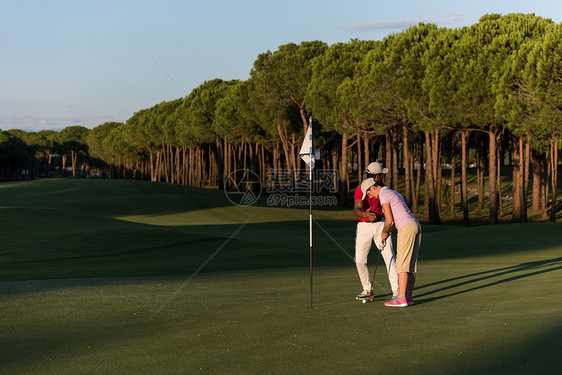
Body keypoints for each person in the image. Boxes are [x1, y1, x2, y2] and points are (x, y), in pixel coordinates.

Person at [364, 179, 422, 307]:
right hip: (415, 225)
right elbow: (393, 221)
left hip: (406, 227)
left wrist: (383, 232)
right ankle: (408, 296)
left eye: (368, 194)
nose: (369, 197)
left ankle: (400, 298)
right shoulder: (392, 192)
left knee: (401, 264)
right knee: (411, 265)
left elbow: (389, 221)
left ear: (373, 188)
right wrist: (388, 232)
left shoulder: (383, 195)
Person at [353, 162, 399, 301]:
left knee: (389, 257)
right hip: (364, 226)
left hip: (381, 225)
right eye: (382, 175)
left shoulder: (384, 190)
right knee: (360, 259)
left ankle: (397, 291)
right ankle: (368, 290)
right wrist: (364, 214)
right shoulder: (361, 189)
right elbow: (357, 209)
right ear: (378, 176)